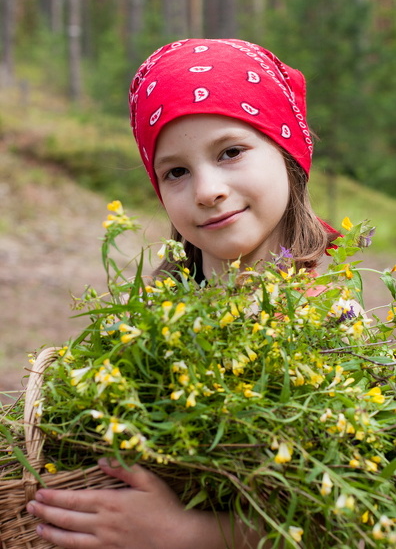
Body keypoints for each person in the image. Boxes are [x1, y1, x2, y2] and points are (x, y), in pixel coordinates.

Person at [26, 38, 339, 548]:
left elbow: (363, 518)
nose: (206, 190)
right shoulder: (143, 332)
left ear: (287, 153)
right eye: (176, 171)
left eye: (231, 152)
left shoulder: (340, 332)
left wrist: (193, 534)